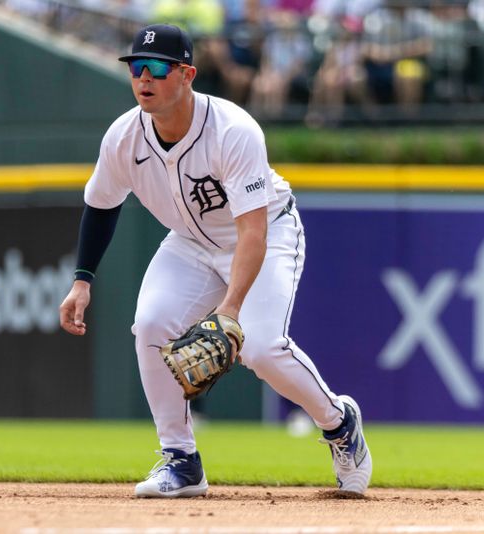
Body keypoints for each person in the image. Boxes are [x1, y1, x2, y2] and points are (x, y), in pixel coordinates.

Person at [58, 23, 372, 498]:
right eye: (136, 67)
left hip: (266, 230)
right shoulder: (123, 137)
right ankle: (181, 461)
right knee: (151, 325)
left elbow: (252, 232)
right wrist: (82, 281)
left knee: (262, 348)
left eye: (158, 68)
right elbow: (101, 205)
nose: (144, 77)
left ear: (187, 74)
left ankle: (339, 422)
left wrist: (230, 308)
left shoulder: (233, 130)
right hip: (189, 243)